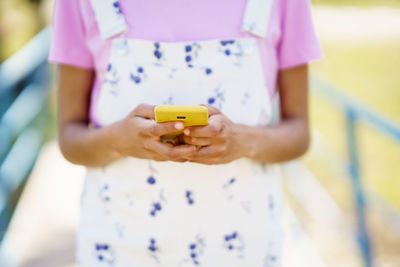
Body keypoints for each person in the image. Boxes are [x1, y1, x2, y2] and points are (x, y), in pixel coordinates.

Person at [49, 0, 322, 266]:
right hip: (118, 247)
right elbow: (70, 138)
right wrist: (119, 141)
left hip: (243, 249)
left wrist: (240, 141)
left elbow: (298, 134)